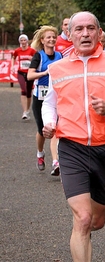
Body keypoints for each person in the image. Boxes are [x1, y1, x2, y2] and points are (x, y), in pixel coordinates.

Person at [41, 11, 105, 261]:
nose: (85, 33)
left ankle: (83, 230)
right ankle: (81, 230)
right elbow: (49, 104)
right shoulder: (57, 68)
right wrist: (49, 122)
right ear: (69, 34)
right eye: (79, 29)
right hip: (71, 147)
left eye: (90, 28)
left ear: (100, 33)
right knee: (83, 218)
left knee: (96, 221)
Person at [27, 26, 62, 175]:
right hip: (40, 98)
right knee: (42, 130)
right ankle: (40, 153)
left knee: (55, 129)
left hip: (56, 97)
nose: (52, 39)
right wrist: (46, 72)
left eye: (54, 37)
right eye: (48, 37)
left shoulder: (60, 55)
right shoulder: (39, 56)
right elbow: (29, 76)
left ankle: (56, 162)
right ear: (42, 40)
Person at [11, 34, 36, 120]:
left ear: (27, 41)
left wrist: (32, 59)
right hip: (21, 72)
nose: (23, 42)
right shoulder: (17, 50)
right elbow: (13, 57)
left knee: (29, 92)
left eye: (24, 40)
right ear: (20, 42)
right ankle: (25, 111)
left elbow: (37, 59)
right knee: (23, 90)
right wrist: (12, 66)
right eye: (21, 40)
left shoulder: (32, 50)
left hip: (29, 73)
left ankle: (28, 110)